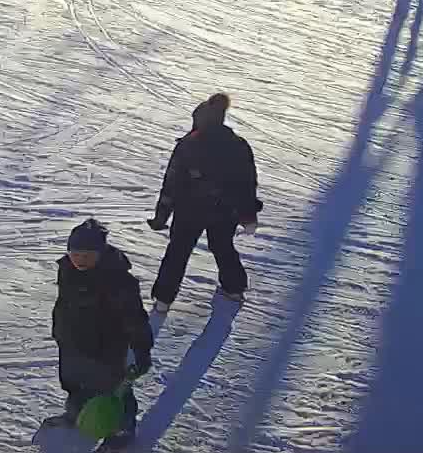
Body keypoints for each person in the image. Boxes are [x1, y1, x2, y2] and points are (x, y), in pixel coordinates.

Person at [146, 93, 262, 314]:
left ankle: (163, 299)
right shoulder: (238, 145)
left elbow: (171, 183)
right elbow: (247, 183)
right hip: (225, 210)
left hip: (189, 210)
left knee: (178, 251)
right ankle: (234, 288)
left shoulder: (188, 145)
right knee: (222, 245)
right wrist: (248, 215)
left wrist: (161, 216)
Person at [46, 219, 152, 442]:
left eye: (87, 255)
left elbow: (135, 318)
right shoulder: (67, 269)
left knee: (114, 390)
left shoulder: (119, 280)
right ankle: (76, 414)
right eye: (75, 254)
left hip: (107, 347)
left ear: (101, 253)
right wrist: (59, 331)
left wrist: (142, 349)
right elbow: (63, 303)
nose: (80, 260)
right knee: (74, 383)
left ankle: (122, 429)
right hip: (73, 342)